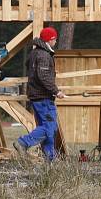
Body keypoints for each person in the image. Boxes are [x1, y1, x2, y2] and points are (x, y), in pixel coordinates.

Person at [12, 26, 65, 161]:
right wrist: (56, 91)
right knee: (50, 128)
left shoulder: (35, 53)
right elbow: (43, 76)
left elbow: (29, 66)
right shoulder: (44, 55)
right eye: (54, 39)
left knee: (45, 128)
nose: (55, 41)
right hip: (43, 98)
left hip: (36, 97)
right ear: (50, 40)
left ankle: (50, 159)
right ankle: (23, 142)